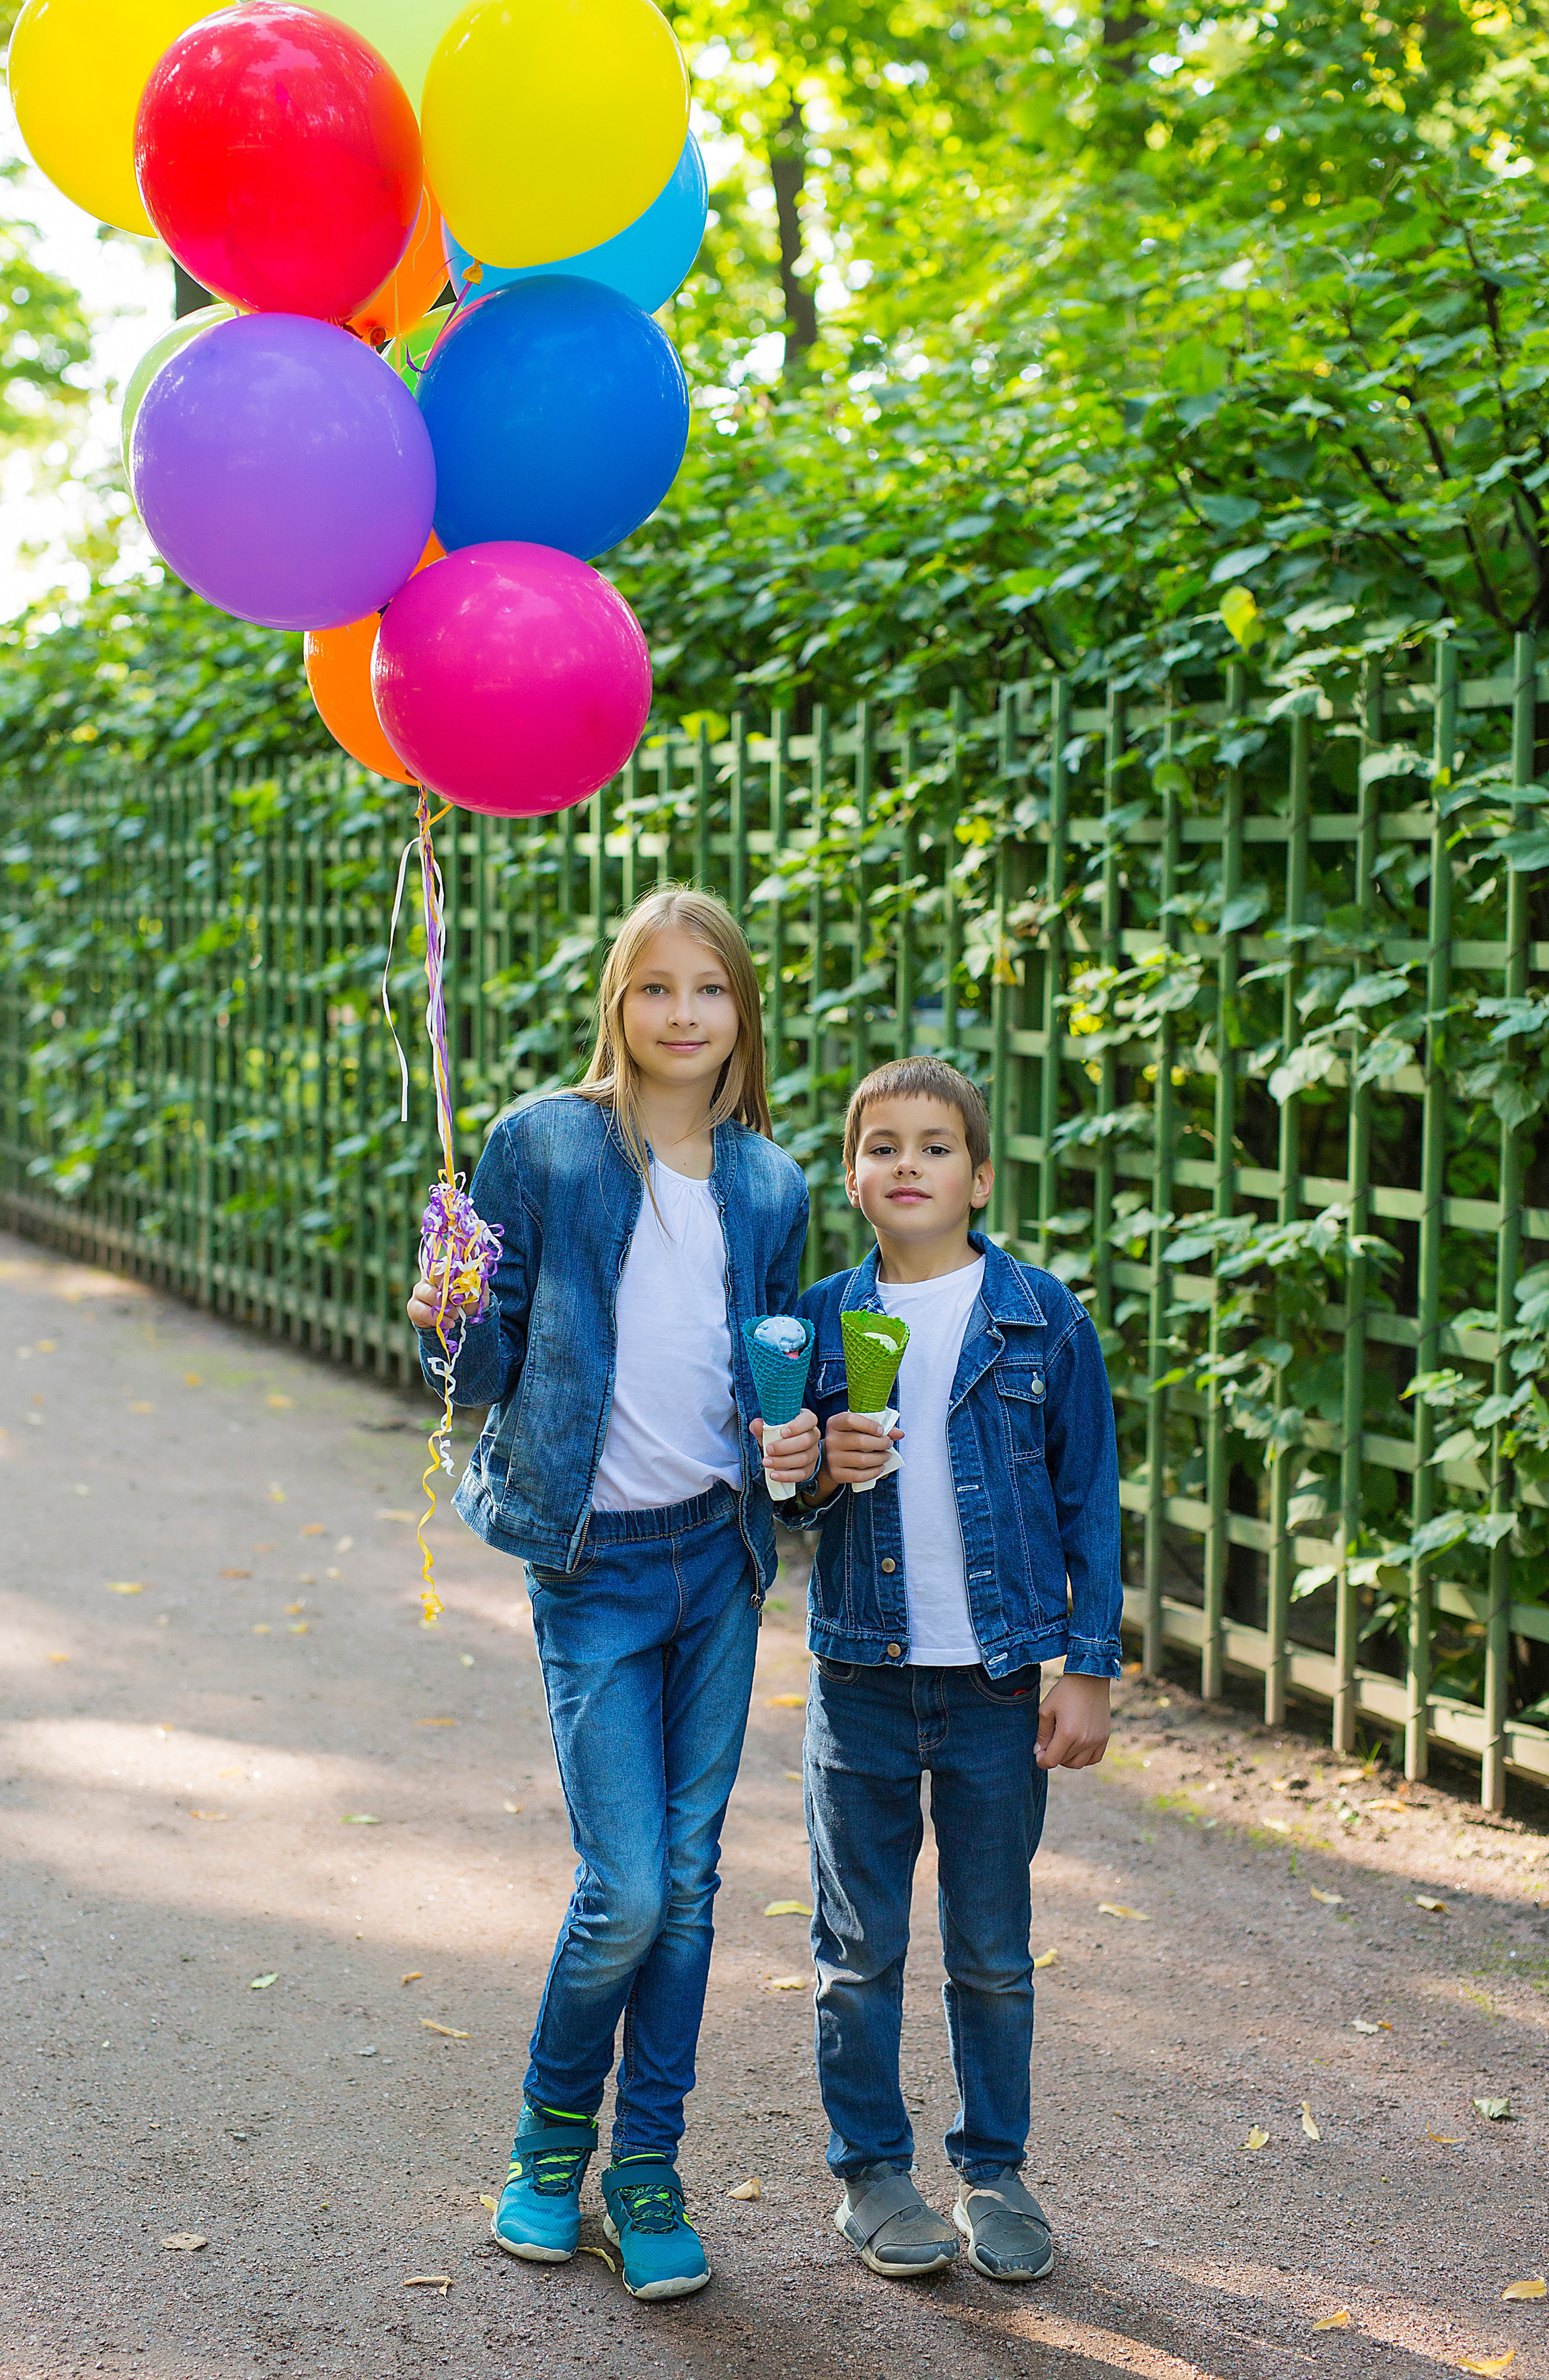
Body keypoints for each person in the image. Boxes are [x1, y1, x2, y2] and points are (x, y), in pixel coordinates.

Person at [406, 887, 819, 2302]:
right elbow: (481, 1366)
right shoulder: (545, 1145)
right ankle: (545, 2148)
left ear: (739, 1015)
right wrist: (446, 1316)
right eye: (657, 989)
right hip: (590, 1564)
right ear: (618, 1006)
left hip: (716, 1559)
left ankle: (646, 2170)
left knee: (691, 1893)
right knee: (626, 1890)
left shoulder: (769, 1185)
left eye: (709, 990)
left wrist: (797, 1447)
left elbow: (781, 1375)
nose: (683, 1015)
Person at [786, 1056, 1121, 2284]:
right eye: (884, 1146)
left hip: (993, 1686)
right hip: (860, 1680)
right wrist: (820, 1462)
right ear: (855, 1177)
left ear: (979, 1177)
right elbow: (784, 1496)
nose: (909, 1164)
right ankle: (871, 2173)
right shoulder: (817, 1321)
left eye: (936, 1146)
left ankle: (994, 2168)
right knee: (858, 1944)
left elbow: (1091, 1502)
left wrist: (1086, 1666)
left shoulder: (1040, 1315)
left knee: (990, 1944)